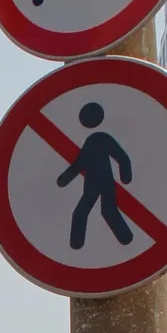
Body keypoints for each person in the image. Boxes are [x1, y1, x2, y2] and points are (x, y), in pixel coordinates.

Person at [55, 101, 134, 249]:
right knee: (93, 211)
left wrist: (126, 176)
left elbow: (121, 157)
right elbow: (80, 163)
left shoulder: (100, 139)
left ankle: (126, 239)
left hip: (100, 183)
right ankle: (125, 239)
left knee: (100, 211)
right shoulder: (94, 140)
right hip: (95, 184)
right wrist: (63, 179)